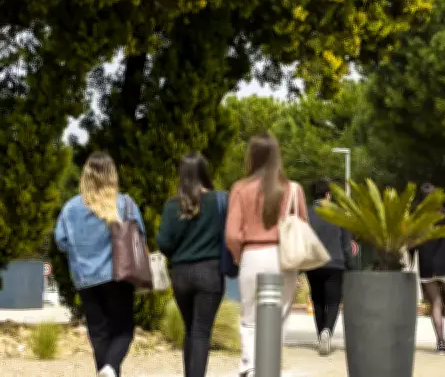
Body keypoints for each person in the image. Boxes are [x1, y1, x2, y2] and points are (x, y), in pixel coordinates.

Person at [54, 151, 144, 377]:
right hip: (118, 276)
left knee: (99, 334)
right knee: (124, 330)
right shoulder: (124, 204)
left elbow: (61, 241)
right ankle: (111, 367)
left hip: (86, 280)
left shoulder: (70, 208)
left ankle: (106, 370)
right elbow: (139, 233)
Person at [226, 133, 309, 377]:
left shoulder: (240, 189)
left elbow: (232, 233)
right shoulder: (293, 189)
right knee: (280, 314)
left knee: (249, 315)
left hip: (252, 254)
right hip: (284, 257)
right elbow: (303, 225)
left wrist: (238, 256)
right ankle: (271, 365)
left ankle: (250, 365)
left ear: (251, 156)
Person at [156, 152, 226, 377]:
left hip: (181, 275)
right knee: (201, 332)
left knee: (190, 329)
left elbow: (163, 243)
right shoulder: (219, 201)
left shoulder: (172, 206)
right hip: (210, 273)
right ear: (205, 172)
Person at [410, 182, 445, 355]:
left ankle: (440, 343)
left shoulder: (417, 217)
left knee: (435, 304)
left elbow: (411, 244)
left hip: (426, 265)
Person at [305, 178, 353, 356]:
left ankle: (320, 335)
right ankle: (327, 331)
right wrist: (351, 266)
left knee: (317, 300)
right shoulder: (339, 214)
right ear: (328, 194)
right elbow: (346, 244)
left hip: (313, 262)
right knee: (333, 301)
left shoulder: (307, 213)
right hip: (335, 263)